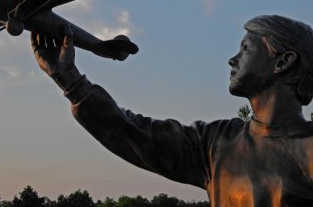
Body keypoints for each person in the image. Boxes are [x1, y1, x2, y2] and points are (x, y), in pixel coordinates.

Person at [31, 15, 313, 207]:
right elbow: (134, 133)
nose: (232, 59)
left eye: (245, 49)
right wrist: (70, 80)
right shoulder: (216, 143)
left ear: (283, 61)